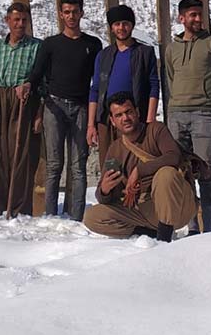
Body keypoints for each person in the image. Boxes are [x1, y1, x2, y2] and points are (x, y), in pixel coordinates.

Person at [19, 0, 102, 219]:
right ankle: (50, 215)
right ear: (61, 14)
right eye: (66, 12)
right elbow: (37, 74)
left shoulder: (92, 44)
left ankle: (75, 216)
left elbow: (99, 80)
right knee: (55, 164)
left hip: (81, 107)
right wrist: (27, 85)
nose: (71, 16)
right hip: (54, 105)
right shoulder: (50, 44)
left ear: (82, 13)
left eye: (75, 11)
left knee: (78, 165)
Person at [165, 0, 211, 234]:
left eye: (200, 14)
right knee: (181, 172)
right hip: (176, 115)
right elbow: (170, 80)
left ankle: (207, 229)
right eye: (192, 15)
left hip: (203, 116)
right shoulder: (172, 48)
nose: (197, 19)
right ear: (181, 18)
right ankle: (190, 225)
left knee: (206, 172)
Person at [83, 92, 196, 242]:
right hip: (142, 210)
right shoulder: (115, 149)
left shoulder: (156, 130)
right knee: (92, 216)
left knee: (166, 174)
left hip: (177, 206)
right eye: (119, 115)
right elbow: (104, 196)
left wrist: (140, 170)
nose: (125, 118)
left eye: (129, 112)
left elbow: (173, 157)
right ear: (112, 120)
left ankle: (164, 239)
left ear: (137, 112)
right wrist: (105, 189)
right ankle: (145, 232)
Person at [0, 2, 42, 217]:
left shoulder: (36, 47)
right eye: (16, 19)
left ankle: (18, 208)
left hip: (23, 100)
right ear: (7, 21)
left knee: (20, 153)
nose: (20, 24)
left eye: (24, 20)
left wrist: (39, 112)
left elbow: (41, 81)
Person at [87, 4, 160, 165]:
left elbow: (154, 87)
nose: (122, 28)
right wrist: (91, 124)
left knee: (134, 162)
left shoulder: (144, 53)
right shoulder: (103, 55)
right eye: (117, 24)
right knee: (110, 164)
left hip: (133, 117)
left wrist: (149, 120)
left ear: (132, 25)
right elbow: (95, 89)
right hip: (107, 119)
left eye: (126, 23)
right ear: (112, 28)